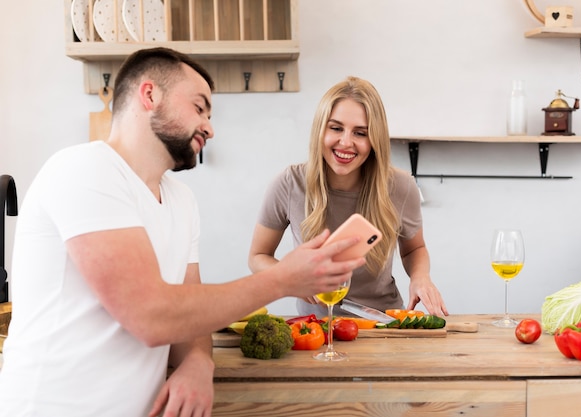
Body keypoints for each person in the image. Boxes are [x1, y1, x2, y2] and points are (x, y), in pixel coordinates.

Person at [0, 48, 365, 417]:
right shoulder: (85, 169)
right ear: (150, 95)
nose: (210, 126)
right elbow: (151, 316)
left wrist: (197, 363)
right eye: (199, 107)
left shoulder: (181, 200)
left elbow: (189, 311)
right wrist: (284, 279)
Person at [248, 76, 448, 319]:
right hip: (318, 326)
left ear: (375, 139)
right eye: (335, 128)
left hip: (382, 324)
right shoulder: (289, 183)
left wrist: (420, 278)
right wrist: (290, 279)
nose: (346, 142)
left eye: (360, 133)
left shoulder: (401, 187)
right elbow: (258, 257)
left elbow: (414, 248)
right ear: (320, 130)